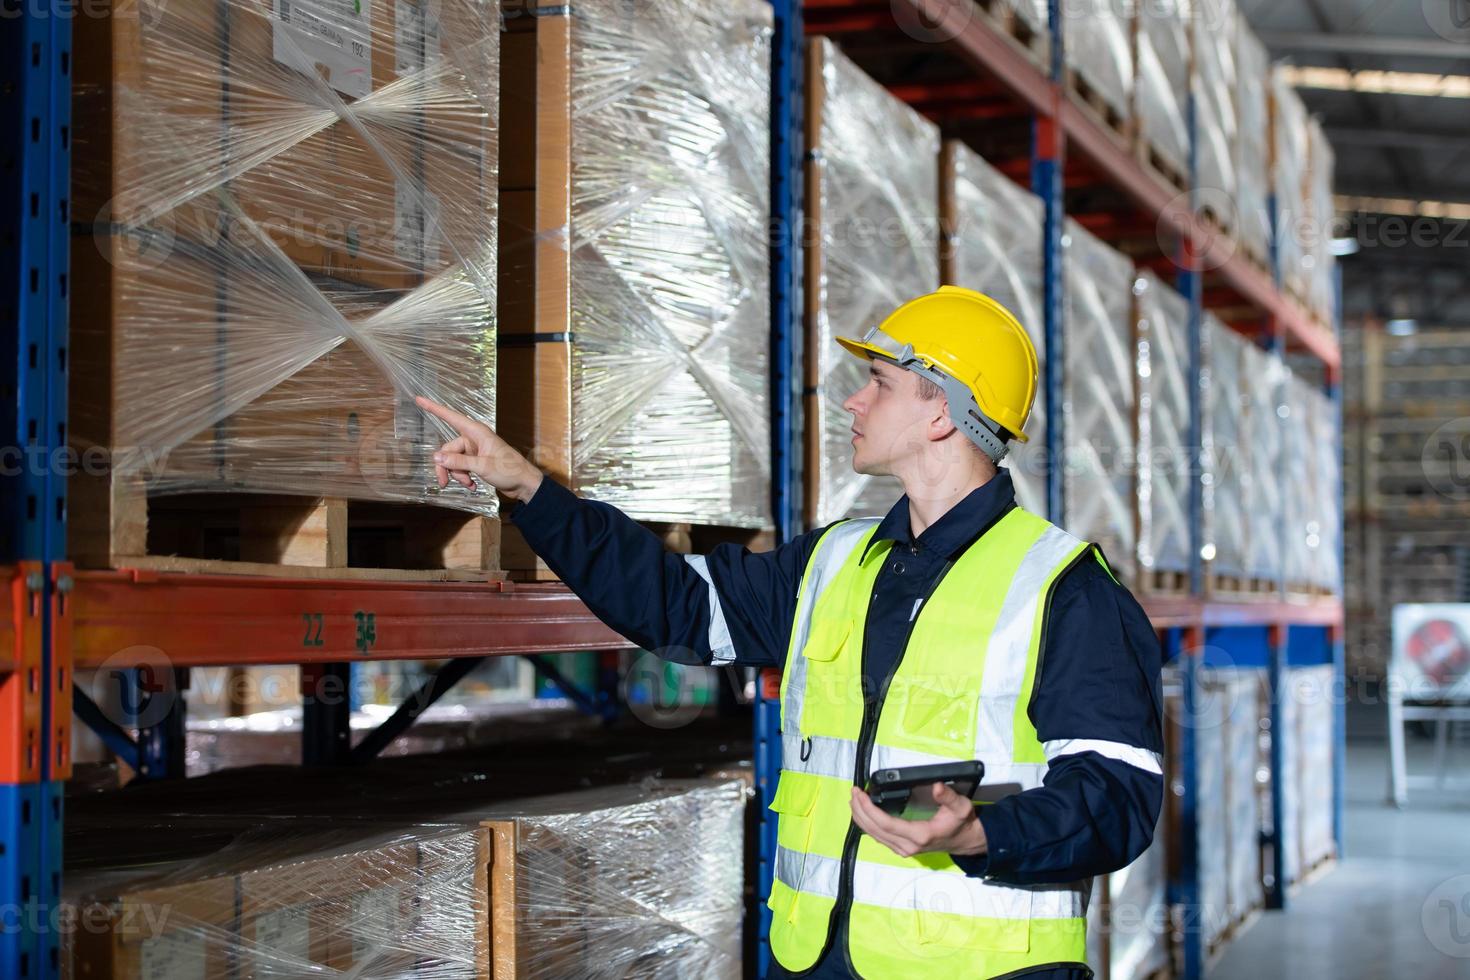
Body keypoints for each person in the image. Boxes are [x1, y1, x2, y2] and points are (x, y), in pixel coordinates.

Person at [417, 285, 1163, 979]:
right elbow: (674, 602)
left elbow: (1118, 798)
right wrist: (530, 490)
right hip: (819, 962)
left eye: (880, 382)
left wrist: (978, 835)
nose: (853, 399)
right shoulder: (834, 562)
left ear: (940, 413)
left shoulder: (1066, 590)